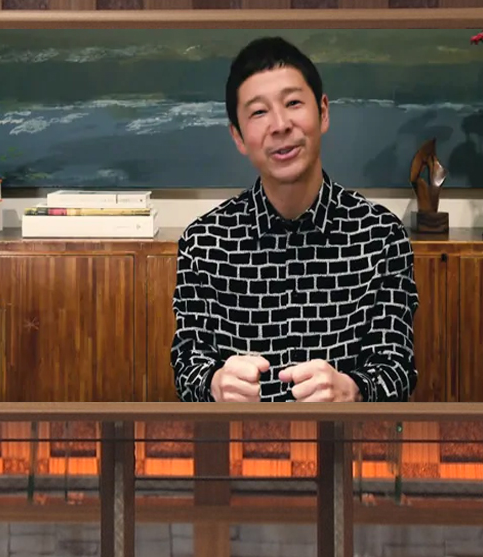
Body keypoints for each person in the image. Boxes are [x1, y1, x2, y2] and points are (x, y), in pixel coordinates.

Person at [171, 36, 418, 403]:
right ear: (238, 137)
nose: (280, 125)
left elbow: (396, 367)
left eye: (293, 103)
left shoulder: (381, 235)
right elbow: (187, 363)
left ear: (323, 112)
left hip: (344, 436)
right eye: (258, 112)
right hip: (239, 437)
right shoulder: (205, 242)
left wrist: (352, 390)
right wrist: (214, 383)